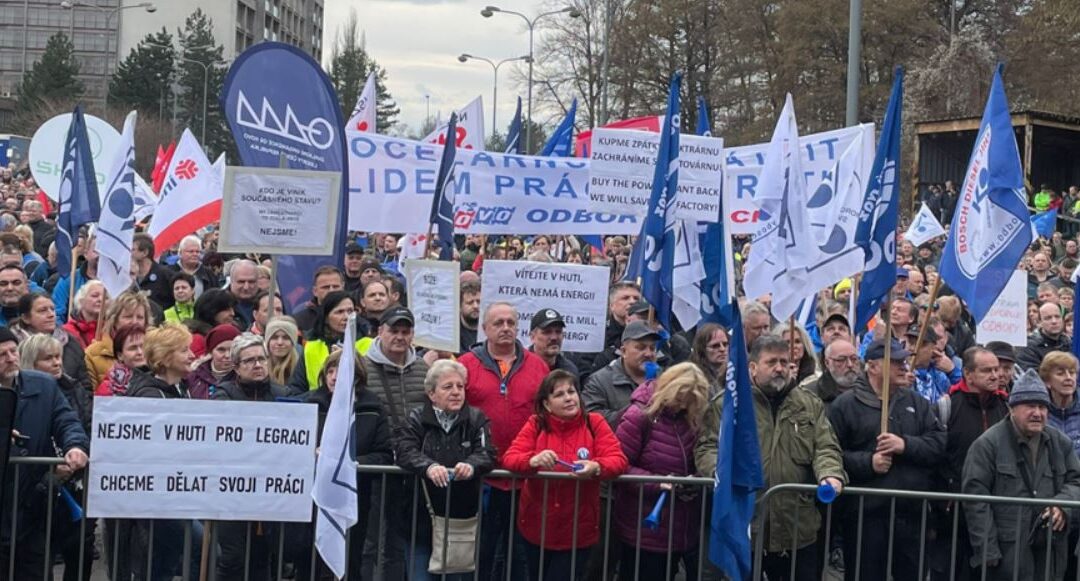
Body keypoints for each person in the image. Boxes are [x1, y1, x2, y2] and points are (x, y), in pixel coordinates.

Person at [696, 334, 845, 581]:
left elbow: (826, 446)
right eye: (772, 362)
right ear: (753, 367)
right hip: (746, 525)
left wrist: (830, 473)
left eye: (784, 362)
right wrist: (720, 473)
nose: (779, 368)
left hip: (795, 526)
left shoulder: (809, 404)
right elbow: (707, 448)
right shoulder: (728, 404)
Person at [828, 338, 946, 581]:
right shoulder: (845, 406)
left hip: (911, 516)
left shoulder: (917, 403)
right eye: (895, 362)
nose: (904, 366)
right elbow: (831, 455)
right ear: (872, 366)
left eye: (904, 361)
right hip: (866, 517)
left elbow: (938, 445)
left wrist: (906, 445)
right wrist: (868, 462)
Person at [502, 369, 629, 581]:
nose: (569, 398)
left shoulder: (594, 422)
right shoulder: (536, 423)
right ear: (546, 404)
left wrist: (596, 467)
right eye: (559, 394)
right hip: (537, 527)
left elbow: (618, 460)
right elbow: (510, 458)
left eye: (571, 391)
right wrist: (533, 461)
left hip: (579, 529)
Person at [459, 301, 550, 580]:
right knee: (480, 553)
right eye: (498, 323)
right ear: (485, 329)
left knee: (520, 555)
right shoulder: (466, 365)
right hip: (481, 478)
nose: (506, 328)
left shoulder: (538, 366)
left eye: (511, 322)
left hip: (524, 477)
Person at [962, 369, 1080, 580]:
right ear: (1012, 409)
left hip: (1050, 554)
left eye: (1043, 407)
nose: (1037, 413)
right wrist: (987, 551)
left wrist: (1062, 505)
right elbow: (976, 501)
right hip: (1007, 554)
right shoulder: (988, 444)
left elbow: (1076, 481)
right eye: (1030, 406)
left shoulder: (1060, 442)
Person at [0, 326, 88, 580]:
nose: (10, 358)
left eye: (13, 351)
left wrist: (75, 446)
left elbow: (66, 420)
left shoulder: (43, 385)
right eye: (2, 354)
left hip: (31, 504)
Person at [395, 360, 496, 580]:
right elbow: (404, 450)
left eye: (460, 386)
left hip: (460, 520)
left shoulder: (476, 418)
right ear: (431, 394)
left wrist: (471, 464)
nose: (456, 392)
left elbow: (488, 452)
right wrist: (429, 466)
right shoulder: (415, 418)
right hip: (420, 518)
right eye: (448, 387)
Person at [297, 346, 392, 579]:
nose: (335, 377)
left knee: (350, 562)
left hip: (353, 498)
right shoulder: (311, 404)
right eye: (330, 370)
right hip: (313, 498)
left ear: (357, 377)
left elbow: (384, 453)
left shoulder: (373, 407)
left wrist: (348, 463)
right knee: (309, 560)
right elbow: (296, 447)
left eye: (342, 370)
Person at [615, 362, 709, 580]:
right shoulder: (639, 416)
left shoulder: (691, 418)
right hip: (644, 529)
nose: (682, 406)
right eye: (679, 399)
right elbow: (620, 465)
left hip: (681, 527)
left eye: (689, 402)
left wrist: (694, 481)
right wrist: (657, 482)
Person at [125, 323, 201, 579]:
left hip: (177, 493)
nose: (192, 355)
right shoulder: (148, 396)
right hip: (157, 497)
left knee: (163, 562)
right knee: (202, 548)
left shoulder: (181, 389)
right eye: (184, 350)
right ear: (166, 358)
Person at [210, 334, 290, 579]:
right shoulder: (223, 395)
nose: (258, 365)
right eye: (250, 361)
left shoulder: (282, 394)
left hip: (270, 490)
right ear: (236, 366)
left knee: (264, 558)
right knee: (233, 559)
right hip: (232, 492)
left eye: (262, 359)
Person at [932, 346, 1008, 581]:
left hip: (994, 511)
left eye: (997, 369)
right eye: (987, 370)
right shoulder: (947, 407)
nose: (996, 375)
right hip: (953, 513)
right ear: (968, 373)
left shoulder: (1007, 409)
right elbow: (936, 457)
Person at [10, 291, 93, 390]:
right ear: (26, 318)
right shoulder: (11, 347)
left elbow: (85, 384)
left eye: (52, 309)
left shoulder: (70, 342)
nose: (51, 315)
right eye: (42, 310)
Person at [583, 321, 659, 428]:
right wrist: (632, 414)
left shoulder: (665, 380)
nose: (648, 354)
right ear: (624, 351)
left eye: (652, 348)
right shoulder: (600, 381)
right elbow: (590, 418)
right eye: (641, 348)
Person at [290, 291, 367, 392]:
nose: (346, 317)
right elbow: (296, 391)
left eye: (350, 311)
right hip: (319, 405)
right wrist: (322, 395)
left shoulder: (368, 344)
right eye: (339, 312)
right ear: (326, 318)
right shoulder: (311, 347)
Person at [84, 291, 152, 387]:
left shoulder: (155, 352)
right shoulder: (92, 354)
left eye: (140, 317)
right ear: (114, 320)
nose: (134, 322)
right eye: (128, 317)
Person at [186, 324, 239, 399]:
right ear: (211, 352)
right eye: (221, 350)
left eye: (232, 349)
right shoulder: (194, 377)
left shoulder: (244, 378)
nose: (227, 355)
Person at [95, 324, 148, 396]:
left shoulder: (161, 377)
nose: (140, 352)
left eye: (143, 346)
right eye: (133, 348)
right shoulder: (109, 388)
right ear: (120, 355)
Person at [1017, 302, 1072, 371]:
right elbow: (1032, 377)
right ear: (1040, 322)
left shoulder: (1069, 343)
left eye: (1057, 317)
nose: (1054, 321)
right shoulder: (1028, 347)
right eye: (1048, 318)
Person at [806, 339, 861, 407]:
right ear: (827, 363)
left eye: (854, 359)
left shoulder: (872, 389)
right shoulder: (808, 394)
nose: (850, 364)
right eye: (841, 360)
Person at [291, 266, 344, 335]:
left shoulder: (353, 319)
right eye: (326, 287)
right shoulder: (299, 321)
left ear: (343, 287)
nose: (331, 290)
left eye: (336, 286)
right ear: (315, 291)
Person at [187, 288, 237, 357]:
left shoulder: (235, 333)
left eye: (232, 308)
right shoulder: (197, 340)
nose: (232, 313)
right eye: (226, 309)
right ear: (211, 311)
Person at [529, 308, 579, 375]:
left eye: (558, 331)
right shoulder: (519, 367)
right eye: (547, 332)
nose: (554, 337)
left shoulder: (569, 371)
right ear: (532, 337)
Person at [131, 233, 174, 309]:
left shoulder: (165, 275)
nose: (129, 253)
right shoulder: (127, 275)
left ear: (145, 252)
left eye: (133, 250)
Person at [62, 279, 106, 348]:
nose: (100, 299)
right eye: (95, 296)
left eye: (105, 297)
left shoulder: (112, 330)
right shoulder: (67, 331)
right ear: (81, 300)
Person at [689, 323, 728, 399]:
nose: (722, 349)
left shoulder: (733, 373)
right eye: (715, 346)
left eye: (725, 344)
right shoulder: (695, 380)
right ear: (702, 349)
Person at [264, 317, 299, 386]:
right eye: (274, 337)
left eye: (286, 338)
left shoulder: (300, 368)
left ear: (293, 342)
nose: (280, 342)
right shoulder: (259, 367)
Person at [226, 259, 259, 329]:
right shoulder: (218, 304)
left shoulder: (271, 303)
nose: (246, 287)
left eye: (251, 282)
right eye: (241, 282)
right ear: (231, 281)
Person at [458, 279, 481, 354]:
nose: (475, 306)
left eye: (478, 301)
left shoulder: (491, 328)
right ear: (459, 306)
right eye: (470, 303)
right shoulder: (452, 332)